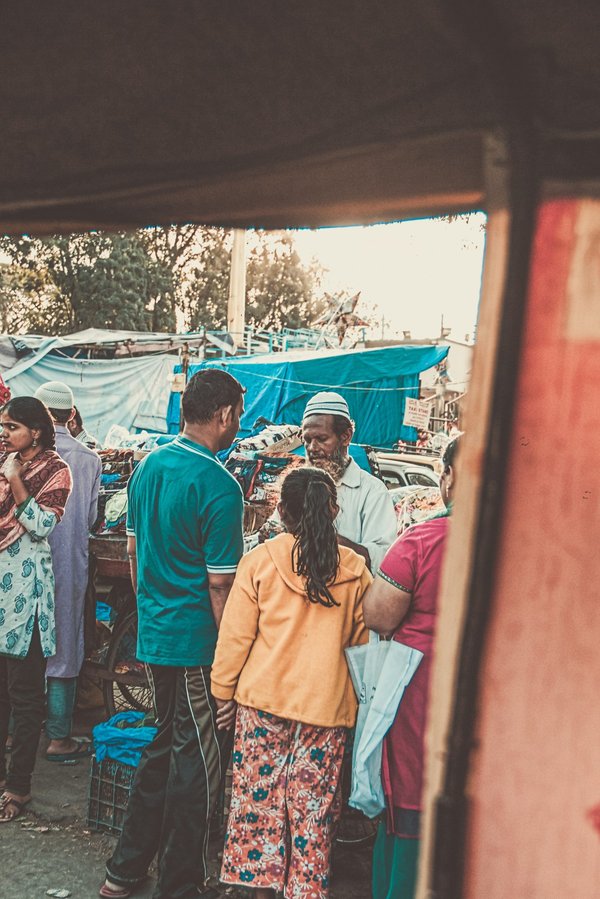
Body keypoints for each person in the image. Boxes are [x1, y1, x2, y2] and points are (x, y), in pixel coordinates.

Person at [102, 368, 246, 899]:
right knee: (199, 762)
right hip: (193, 646)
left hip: (155, 636)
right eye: (238, 415)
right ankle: (182, 883)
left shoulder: (149, 467)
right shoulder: (219, 485)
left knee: (163, 746)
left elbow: (136, 558)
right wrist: (231, 661)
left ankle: (124, 870)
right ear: (226, 414)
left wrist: (152, 613)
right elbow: (219, 590)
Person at [211, 466, 372, 899]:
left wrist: (222, 693)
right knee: (312, 813)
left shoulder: (260, 561)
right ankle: (303, 890)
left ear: (282, 511)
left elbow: (235, 637)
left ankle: (261, 892)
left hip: (262, 704)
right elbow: (360, 649)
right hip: (326, 711)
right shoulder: (356, 570)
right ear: (334, 510)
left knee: (257, 806)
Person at [362, 436, 461, 899]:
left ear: (449, 478)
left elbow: (378, 616)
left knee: (413, 801)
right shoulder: (527, 546)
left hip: (420, 691)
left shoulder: (422, 539)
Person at [0, 397, 72, 823]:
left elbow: (43, 524)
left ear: (37, 431)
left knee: (25, 701)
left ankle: (18, 789)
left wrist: (17, 481)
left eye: (12, 426)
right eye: (2, 426)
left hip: (26, 599)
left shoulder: (56, 470)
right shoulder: (2, 462)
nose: (4, 433)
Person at [34, 381, 102, 762]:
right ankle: (58, 737)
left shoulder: (22, 456)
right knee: (63, 644)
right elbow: (91, 518)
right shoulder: (89, 460)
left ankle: (13, 735)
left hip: (21, 564)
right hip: (68, 564)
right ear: (71, 416)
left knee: (19, 644)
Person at [301, 391, 397, 572]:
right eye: (307, 440)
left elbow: (381, 559)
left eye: (321, 439)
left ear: (346, 437)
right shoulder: (299, 486)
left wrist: (326, 538)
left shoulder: (372, 492)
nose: (312, 448)